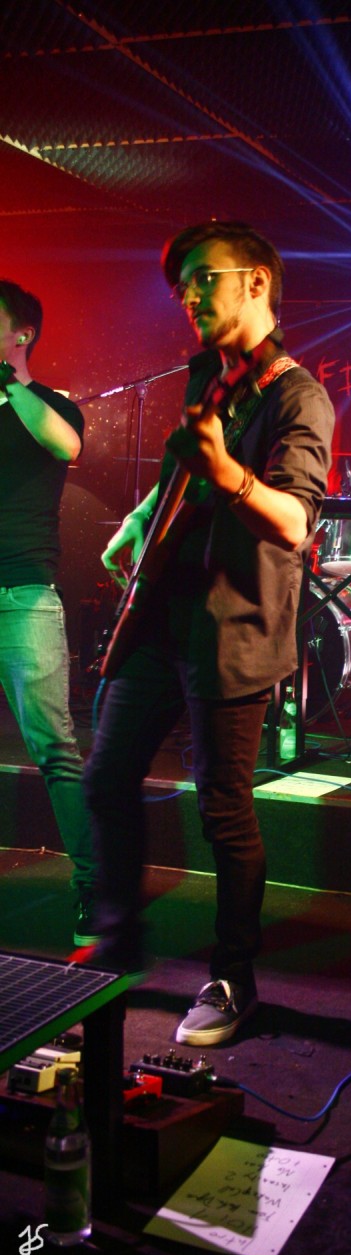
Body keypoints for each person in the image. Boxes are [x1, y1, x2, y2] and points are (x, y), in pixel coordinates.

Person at [83, 221, 334, 1046]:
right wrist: (140, 519)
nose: (187, 296)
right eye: (180, 284)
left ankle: (234, 978)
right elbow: (180, 475)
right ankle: (117, 944)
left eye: (202, 278)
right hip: (166, 613)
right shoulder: (207, 376)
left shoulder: (298, 395)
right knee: (106, 776)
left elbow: (293, 520)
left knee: (223, 810)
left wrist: (227, 471)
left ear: (256, 281)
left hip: (234, 628)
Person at [0, 280, 98, 947]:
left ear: (21, 334)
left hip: (23, 595)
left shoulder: (50, 404)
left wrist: (9, 383)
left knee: (54, 750)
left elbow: (66, 446)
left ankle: (94, 888)